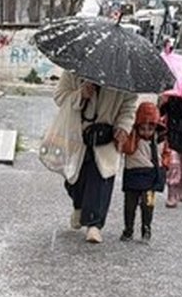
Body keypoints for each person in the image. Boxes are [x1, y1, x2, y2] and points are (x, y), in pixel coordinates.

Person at [53, 71, 138, 244]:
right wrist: (80, 95)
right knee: (74, 179)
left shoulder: (124, 75)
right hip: (77, 134)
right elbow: (59, 97)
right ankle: (78, 206)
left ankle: (94, 225)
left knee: (101, 179)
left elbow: (129, 106)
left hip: (106, 137)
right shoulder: (73, 71)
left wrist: (123, 127)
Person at [119, 102, 169, 241]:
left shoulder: (160, 140)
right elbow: (127, 148)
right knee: (130, 205)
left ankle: (146, 228)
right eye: (143, 128)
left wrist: (165, 165)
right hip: (133, 175)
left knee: (148, 206)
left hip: (151, 177)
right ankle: (128, 229)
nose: (146, 132)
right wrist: (133, 133)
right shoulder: (132, 137)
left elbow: (166, 154)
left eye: (150, 128)